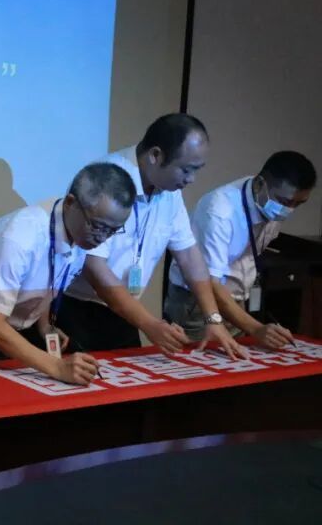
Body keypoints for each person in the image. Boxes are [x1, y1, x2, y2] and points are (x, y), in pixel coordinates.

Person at [56, 113, 244, 358]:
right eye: (186, 170)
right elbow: (93, 266)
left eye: (196, 170)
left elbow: (188, 254)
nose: (191, 179)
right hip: (76, 310)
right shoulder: (105, 179)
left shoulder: (169, 190)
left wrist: (213, 318)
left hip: (123, 310)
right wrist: (149, 323)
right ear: (156, 155)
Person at [0, 163, 135, 383]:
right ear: (71, 203)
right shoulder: (19, 237)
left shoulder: (79, 231)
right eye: (98, 226)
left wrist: (45, 326)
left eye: (113, 230)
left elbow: (48, 276)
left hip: (15, 326)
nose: (102, 238)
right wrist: (57, 367)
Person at [166, 151, 315, 347]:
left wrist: (250, 323)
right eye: (285, 202)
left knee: (238, 359)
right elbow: (210, 282)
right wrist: (256, 328)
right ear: (260, 184)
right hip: (198, 302)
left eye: (299, 204)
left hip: (235, 299)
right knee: (200, 361)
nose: (289, 210)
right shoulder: (219, 211)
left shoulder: (268, 200)